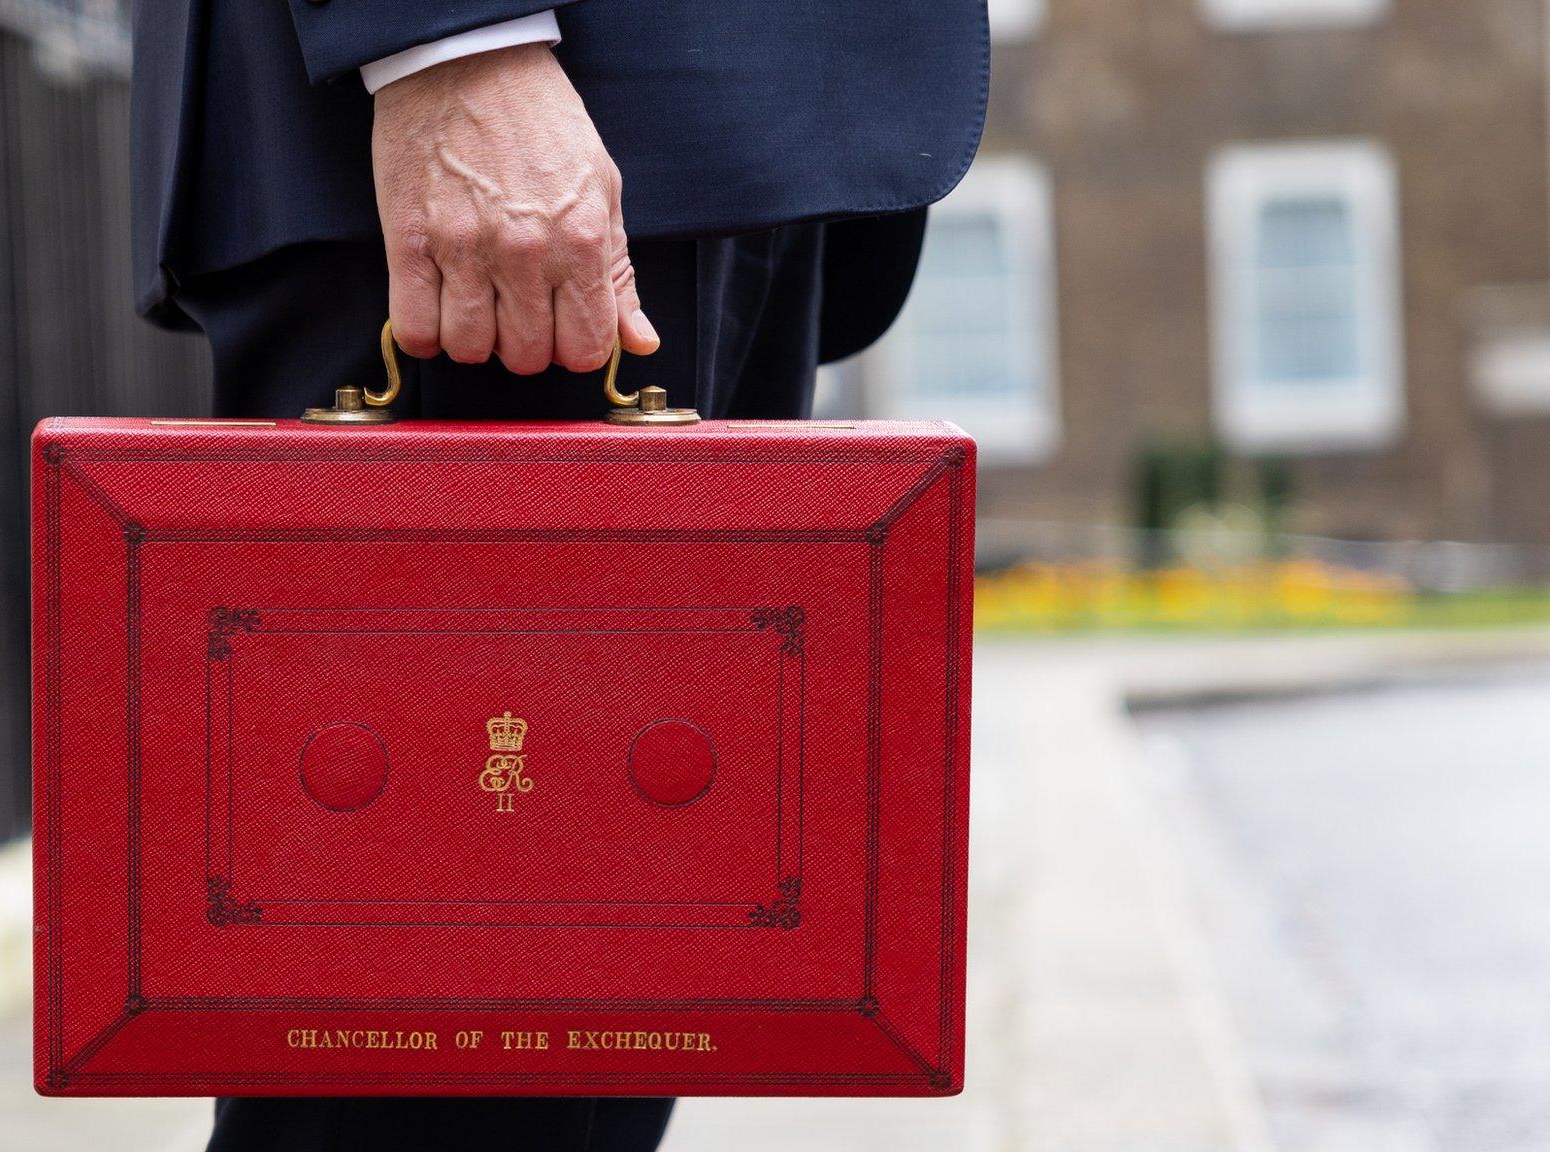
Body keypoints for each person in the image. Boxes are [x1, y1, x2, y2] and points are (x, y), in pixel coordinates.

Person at [128, 2, 988, 1147]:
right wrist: (452, 46)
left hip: (713, 143)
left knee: (605, 1023)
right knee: (438, 1065)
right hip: (528, 126)